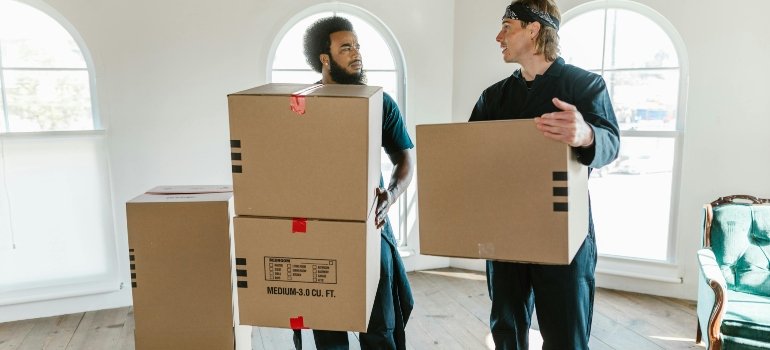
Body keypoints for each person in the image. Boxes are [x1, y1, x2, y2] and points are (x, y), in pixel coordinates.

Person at [469, 1, 620, 349]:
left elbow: (611, 143)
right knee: (506, 327)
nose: (498, 36)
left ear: (533, 29)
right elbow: (470, 155)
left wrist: (587, 134)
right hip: (506, 230)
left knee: (566, 331)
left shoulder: (584, 85)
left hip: (564, 228)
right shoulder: (493, 97)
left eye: (507, 26)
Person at [292, 16, 414, 350]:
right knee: (328, 331)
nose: (356, 53)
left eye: (357, 45)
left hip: (371, 229)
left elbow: (405, 158)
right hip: (318, 235)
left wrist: (391, 195)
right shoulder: (299, 107)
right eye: (346, 47)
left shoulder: (380, 102)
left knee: (381, 329)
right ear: (324, 58)